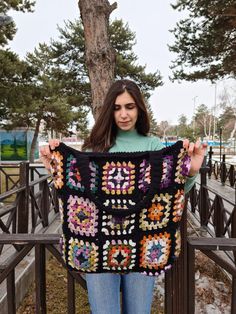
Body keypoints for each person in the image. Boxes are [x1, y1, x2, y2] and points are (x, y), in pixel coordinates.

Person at [40, 79, 207, 314]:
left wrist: (191, 173)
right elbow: (75, 196)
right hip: (96, 247)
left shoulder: (153, 145)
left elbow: (170, 196)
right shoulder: (94, 148)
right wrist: (54, 167)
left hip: (144, 246)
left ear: (139, 108)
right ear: (109, 110)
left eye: (130, 106)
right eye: (117, 108)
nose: (124, 114)